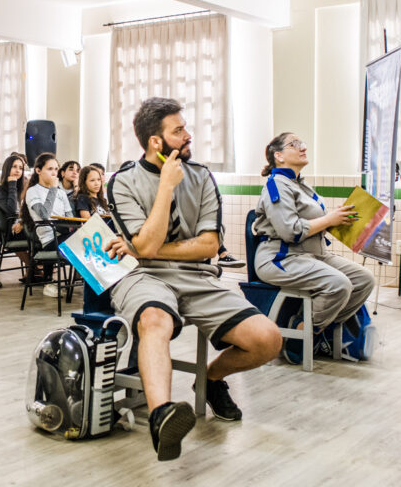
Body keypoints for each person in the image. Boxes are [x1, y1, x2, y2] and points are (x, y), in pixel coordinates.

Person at [103, 98, 281, 460]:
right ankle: (162, 416)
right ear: (156, 141)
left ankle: (211, 379)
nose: (188, 135)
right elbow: (148, 246)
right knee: (155, 320)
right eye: (178, 130)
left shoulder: (201, 176)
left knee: (267, 340)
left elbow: (208, 246)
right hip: (143, 277)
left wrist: (142, 248)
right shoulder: (123, 182)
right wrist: (166, 186)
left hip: (196, 277)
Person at [252, 132, 375, 363]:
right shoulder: (275, 185)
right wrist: (330, 220)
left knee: (364, 280)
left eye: (303, 143)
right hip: (281, 258)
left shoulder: (301, 184)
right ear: (278, 156)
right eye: (295, 144)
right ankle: (300, 331)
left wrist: (339, 219)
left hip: (313, 254)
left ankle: (317, 330)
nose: (303, 147)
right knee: (338, 284)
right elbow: (291, 231)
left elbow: (315, 223)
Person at [23, 153, 74, 298]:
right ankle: (49, 281)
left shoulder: (61, 194)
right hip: (50, 241)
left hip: (64, 235)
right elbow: (44, 215)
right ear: (38, 170)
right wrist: (52, 189)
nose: (54, 173)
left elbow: (69, 218)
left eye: (56, 169)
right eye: (50, 169)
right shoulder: (33, 192)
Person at [0, 153, 35, 280]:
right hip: (11, 229)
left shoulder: (26, 186)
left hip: (25, 223)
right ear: (7, 169)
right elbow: (11, 211)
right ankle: (33, 267)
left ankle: (37, 268)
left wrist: (22, 221)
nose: (18, 170)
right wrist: (12, 185)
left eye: (21, 168)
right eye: (14, 167)